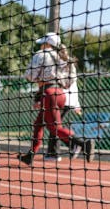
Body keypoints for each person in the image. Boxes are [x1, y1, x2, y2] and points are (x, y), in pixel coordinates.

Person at [17, 33, 95, 166]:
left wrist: (40, 79)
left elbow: (29, 75)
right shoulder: (63, 57)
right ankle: (30, 155)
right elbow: (70, 80)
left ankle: (83, 143)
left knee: (55, 128)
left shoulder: (41, 54)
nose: (41, 45)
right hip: (60, 94)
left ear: (47, 43)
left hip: (49, 94)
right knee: (38, 124)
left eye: (43, 43)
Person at [45, 44, 83, 161]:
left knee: (54, 126)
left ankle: (69, 146)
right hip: (63, 99)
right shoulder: (64, 64)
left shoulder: (63, 64)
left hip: (62, 99)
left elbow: (69, 83)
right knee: (54, 126)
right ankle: (69, 146)